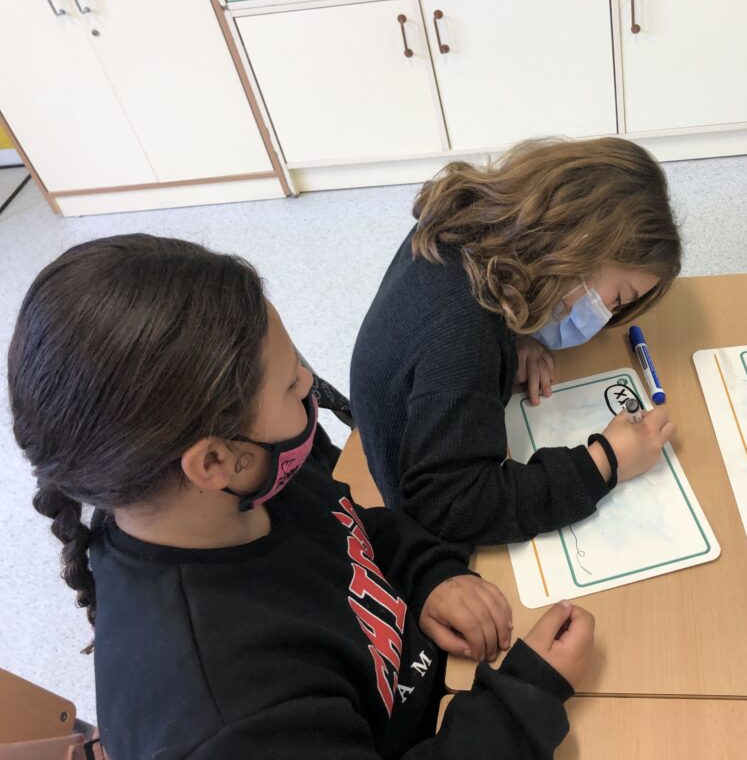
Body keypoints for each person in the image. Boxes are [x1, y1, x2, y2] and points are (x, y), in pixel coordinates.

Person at [8, 234, 594, 759]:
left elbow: (350, 526)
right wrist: (525, 699)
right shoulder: (227, 718)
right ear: (213, 461)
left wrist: (428, 575)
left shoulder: (254, 477)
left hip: (438, 682)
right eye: (291, 383)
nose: (310, 385)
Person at [351, 137, 681, 545]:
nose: (609, 316)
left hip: (421, 434)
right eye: (618, 298)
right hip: (421, 525)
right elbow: (450, 507)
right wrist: (606, 459)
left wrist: (517, 334)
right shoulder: (466, 332)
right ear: (579, 248)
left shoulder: (467, 224)